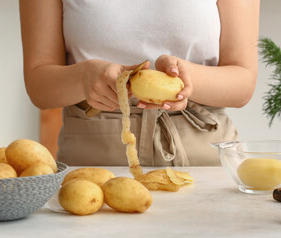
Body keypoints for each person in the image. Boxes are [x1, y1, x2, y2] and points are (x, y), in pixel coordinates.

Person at [19, 0, 259, 167]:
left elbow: (243, 84)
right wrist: (83, 78)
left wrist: (188, 79)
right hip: (93, 162)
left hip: (205, 158)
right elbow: (38, 86)